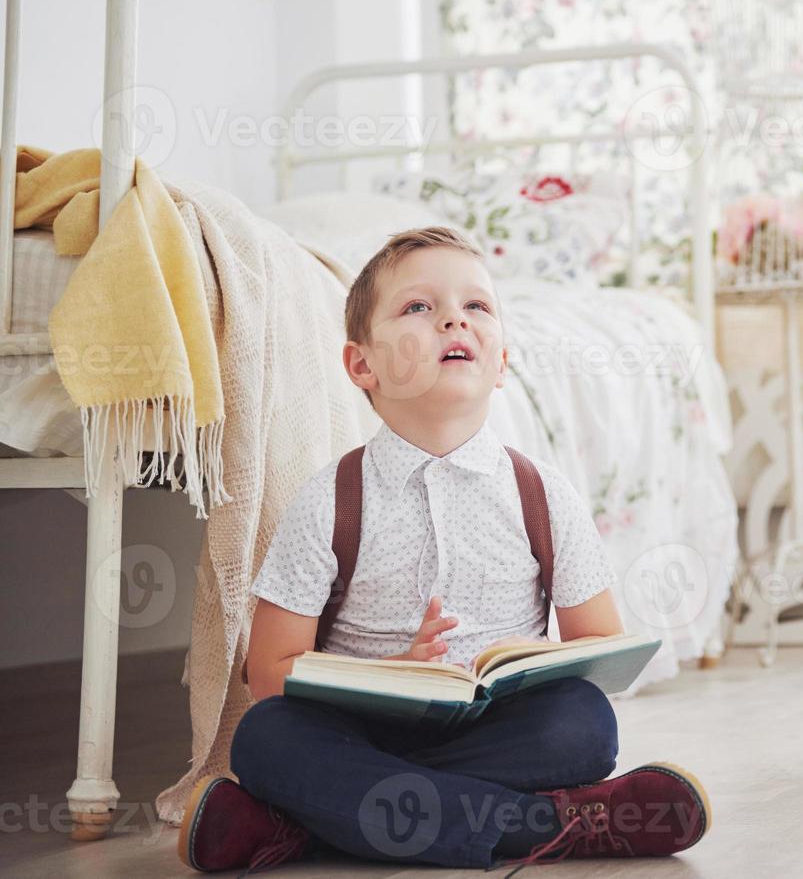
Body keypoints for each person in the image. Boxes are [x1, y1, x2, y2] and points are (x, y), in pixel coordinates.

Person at [177, 227, 709, 873]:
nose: (454, 317)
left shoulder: (542, 494)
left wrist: (541, 658)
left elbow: (600, 646)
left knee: (585, 723)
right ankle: (560, 825)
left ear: (502, 360)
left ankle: (307, 820)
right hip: (362, 730)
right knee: (265, 739)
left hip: (495, 729)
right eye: (418, 308)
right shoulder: (329, 500)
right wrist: (391, 671)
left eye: (477, 306)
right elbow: (269, 671)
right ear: (362, 365)